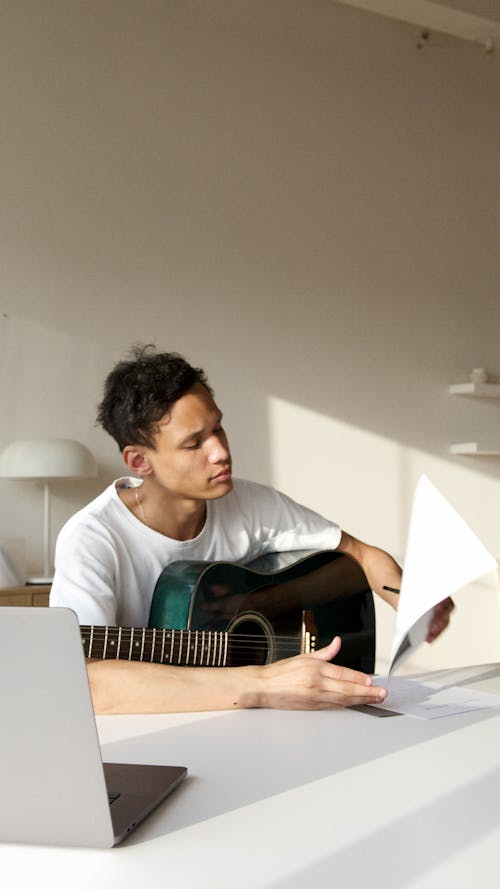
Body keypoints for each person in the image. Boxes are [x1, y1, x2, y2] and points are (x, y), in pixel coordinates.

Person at [50, 345, 453, 714]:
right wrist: (265, 683)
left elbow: (359, 555)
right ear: (139, 461)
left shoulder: (252, 504)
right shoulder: (92, 539)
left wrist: (412, 598)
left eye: (218, 429)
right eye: (194, 444)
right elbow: (89, 682)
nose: (220, 452)